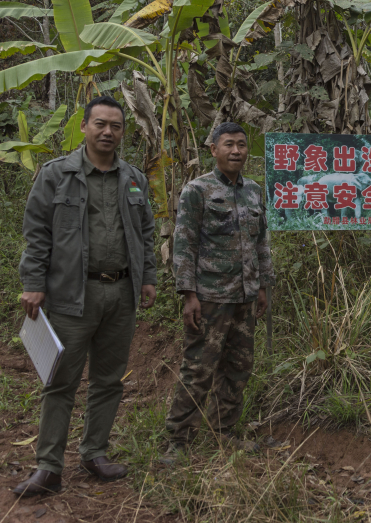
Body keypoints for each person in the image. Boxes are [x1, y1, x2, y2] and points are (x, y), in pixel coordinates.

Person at [15, 96, 157, 497]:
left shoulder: (133, 178)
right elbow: (37, 231)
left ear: (123, 131)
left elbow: (145, 232)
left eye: (115, 125)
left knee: (109, 380)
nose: (108, 132)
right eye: (100, 124)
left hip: (121, 294)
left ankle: (95, 452)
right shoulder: (56, 175)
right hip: (71, 295)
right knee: (61, 381)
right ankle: (49, 467)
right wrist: (33, 282)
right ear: (84, 126)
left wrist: (148, 278)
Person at [162, 121, 274, 462]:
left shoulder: (255, 191)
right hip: (210, 297)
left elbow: (261, 242)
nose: (237, 151)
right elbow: (184, 243)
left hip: (245, 295)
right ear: (214, 149)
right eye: (229, 144)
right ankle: (178, 441)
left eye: (241, 144)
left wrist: (263, 286)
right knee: (198, 368)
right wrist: (188, 294)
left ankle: (223, 432)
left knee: (237, 368)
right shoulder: (198, 190)